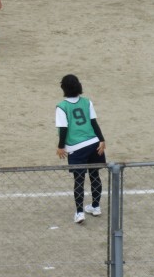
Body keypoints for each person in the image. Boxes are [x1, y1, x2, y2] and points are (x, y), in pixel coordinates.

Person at [55, 74, 106, 224]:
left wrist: (60, 146)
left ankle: (79, 212)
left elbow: (63, 129)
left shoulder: (61, 107)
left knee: (79, 179)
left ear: (63, 88)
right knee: (95, 175)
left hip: (76, 148)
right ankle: (95, 206)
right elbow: (94, 123)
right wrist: (102, 140)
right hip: (94, 144)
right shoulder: (87, 102)